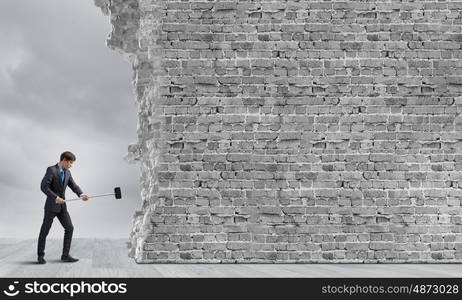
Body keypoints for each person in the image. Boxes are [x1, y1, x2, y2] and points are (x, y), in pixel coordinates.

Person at [37, 151, 90, 264]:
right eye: (70, 163)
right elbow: (44, 187)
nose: (71, 165)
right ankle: (40, 256)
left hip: (62, 207)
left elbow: (74, 186)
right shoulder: (51, 170)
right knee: (45, 231)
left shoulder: (68, 173)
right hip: (51, 206)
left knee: (69, 228)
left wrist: (81, 195)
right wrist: (55, 197)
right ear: (64, 160)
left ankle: (65, 255)